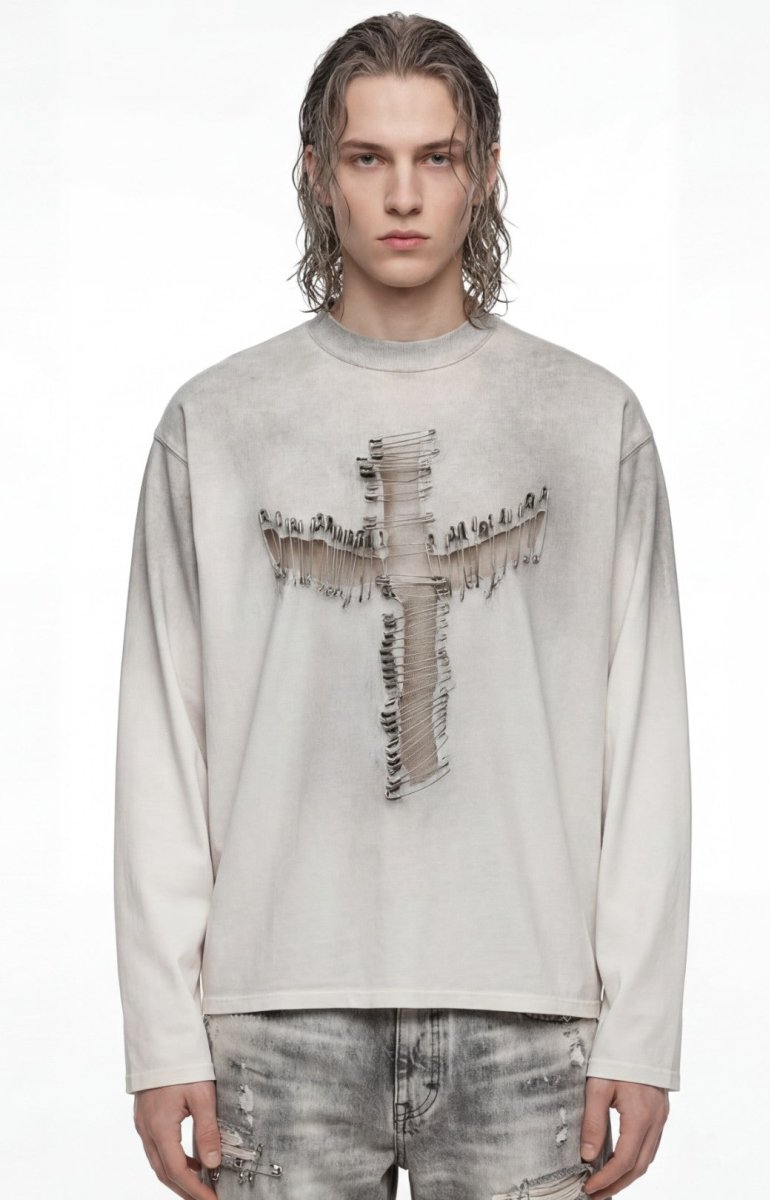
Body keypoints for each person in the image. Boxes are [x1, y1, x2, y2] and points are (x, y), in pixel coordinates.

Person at [113, 13, 692, 1200]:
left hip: (526, 1017)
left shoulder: (587, 422)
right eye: (367, 157)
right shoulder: (218, 424)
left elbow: (643, 737)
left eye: (436, 156)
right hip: (278, 1017)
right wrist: (163, 1035)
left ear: (484, 172)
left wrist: (638, 1028)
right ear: (315, 173)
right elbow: (163, 737)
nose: (402, 195)